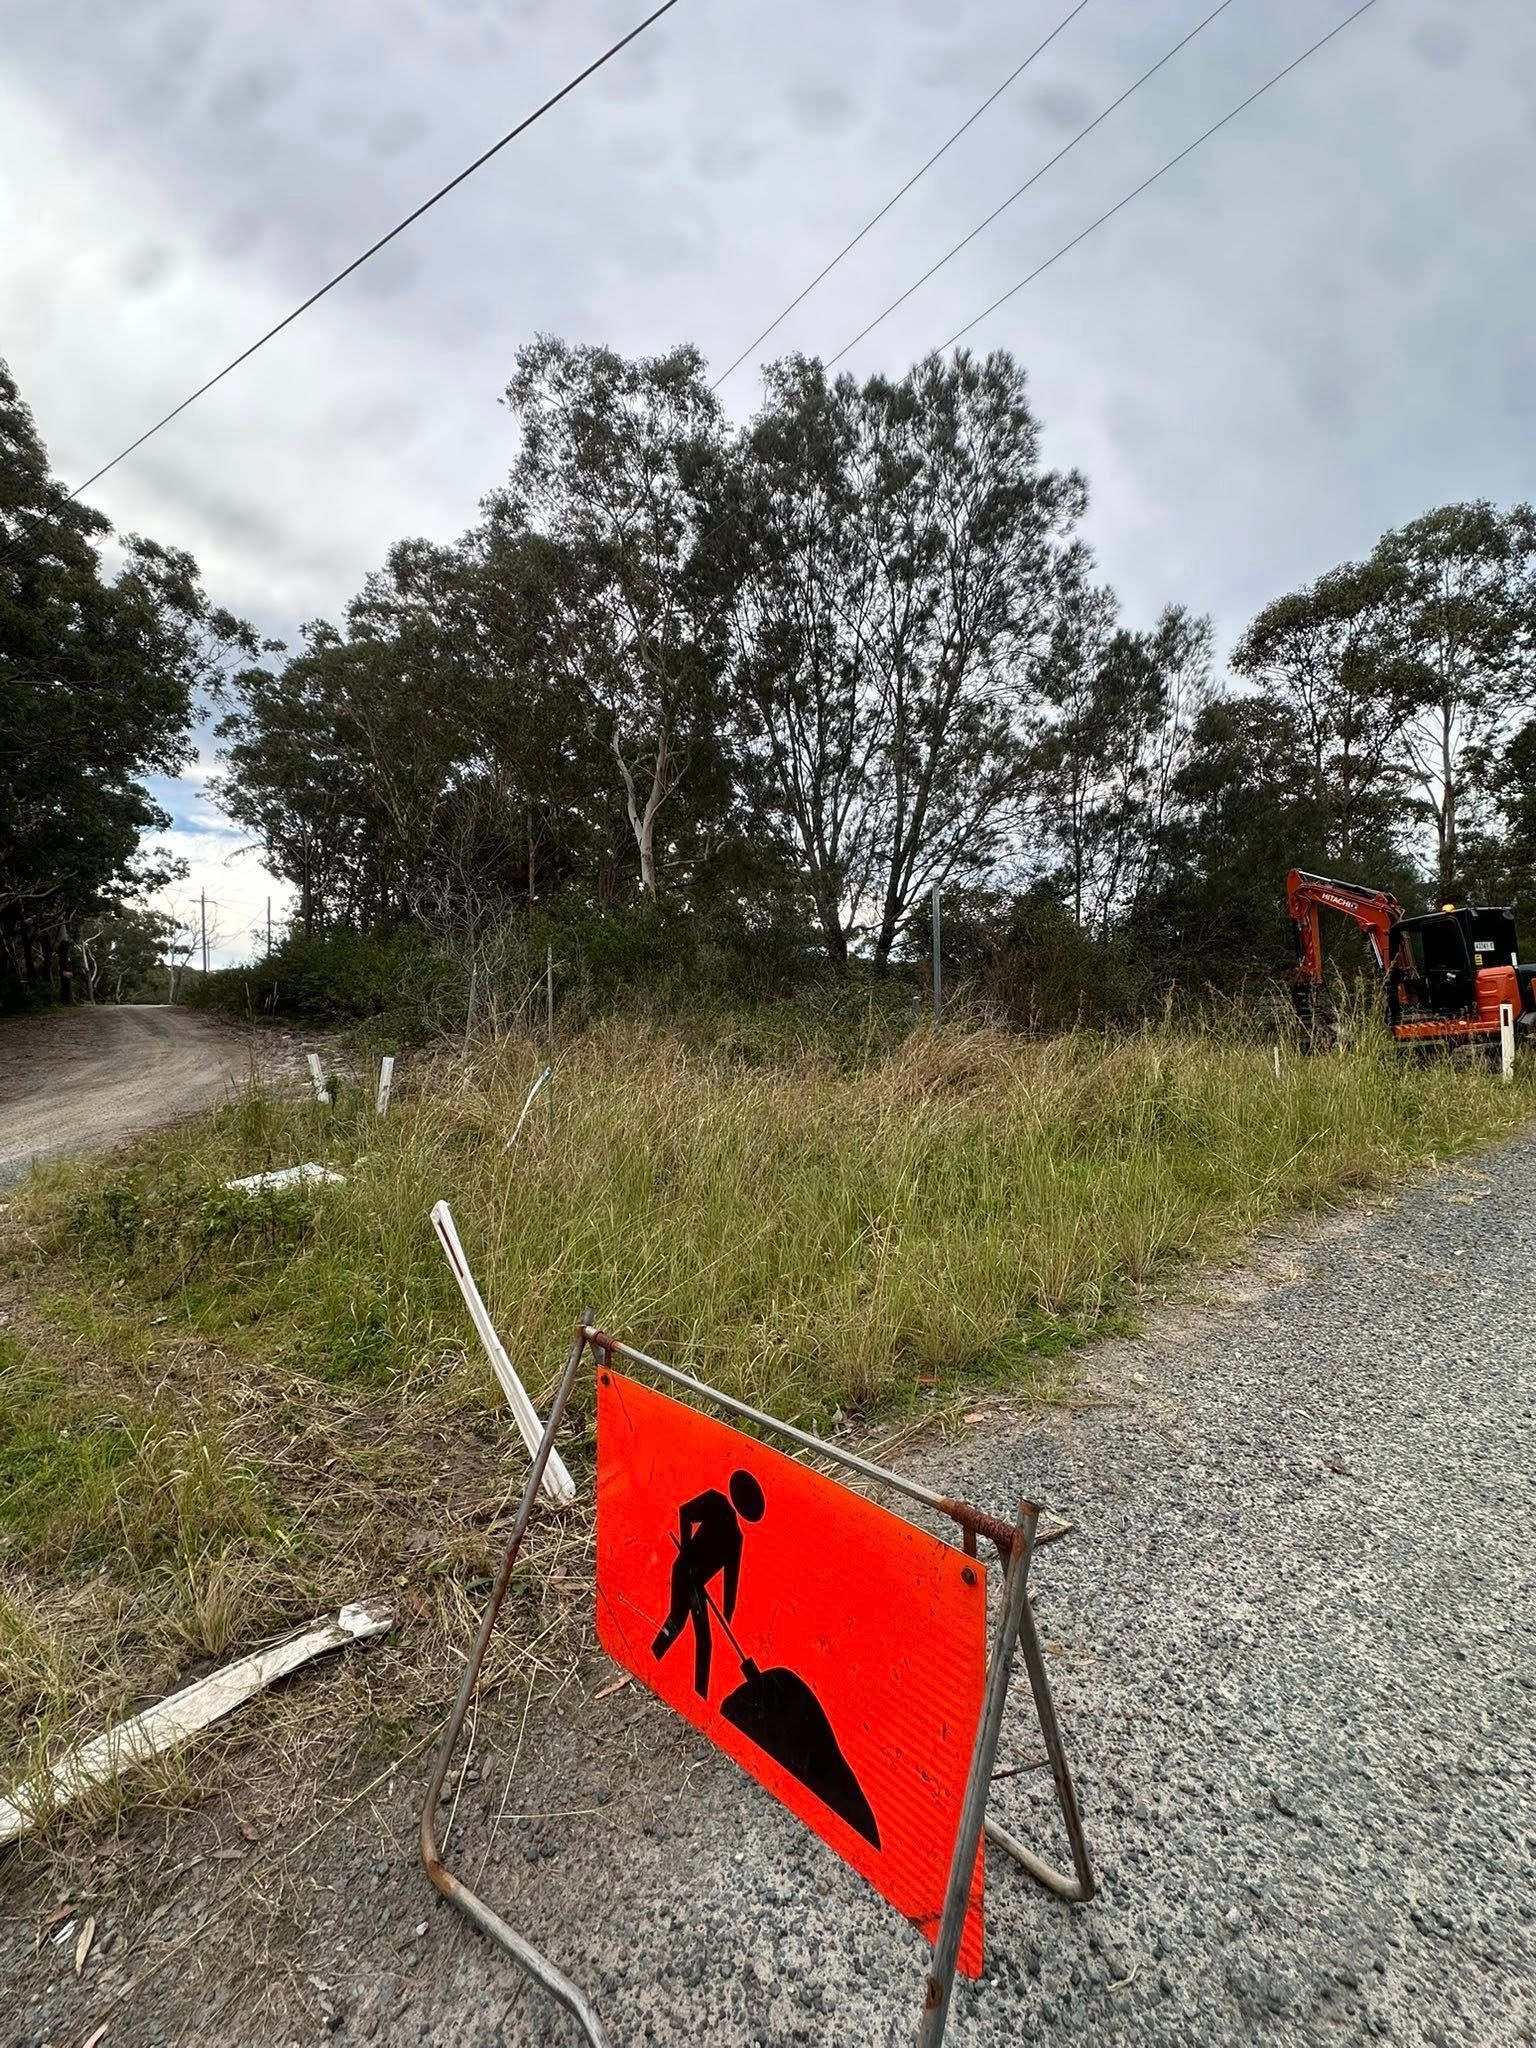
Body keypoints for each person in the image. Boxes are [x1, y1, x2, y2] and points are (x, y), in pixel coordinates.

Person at [651, 1469, 766, 1698]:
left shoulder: (736, 1538)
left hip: (697, 1584)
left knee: (696, 1635)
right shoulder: (716, 1502)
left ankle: (699, 1691)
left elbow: (730, 1583)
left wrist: (728, 1616)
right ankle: (657, 1658)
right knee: (679, 1623)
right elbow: (685, 1512)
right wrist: (686, 1553)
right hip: (685, 1572)